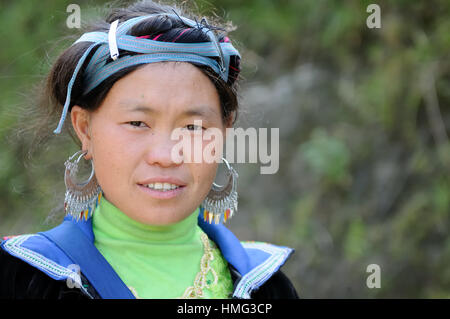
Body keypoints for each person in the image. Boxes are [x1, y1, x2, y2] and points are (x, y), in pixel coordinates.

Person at [0, 0, 298, 299]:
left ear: (224, 131)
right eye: (137, 123)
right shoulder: (23, 278)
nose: (166, 156)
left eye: (193, 128)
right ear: (85, 128)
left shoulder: (266, 287)